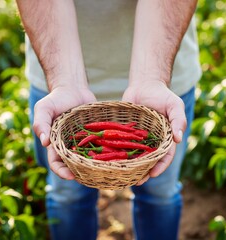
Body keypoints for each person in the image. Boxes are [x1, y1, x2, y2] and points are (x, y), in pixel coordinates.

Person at [16, 0, 201, 239]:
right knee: (67, 196)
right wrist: (65, 82)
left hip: (163, 70)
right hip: (57, 71)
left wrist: (151, 78)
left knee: (159, 194)